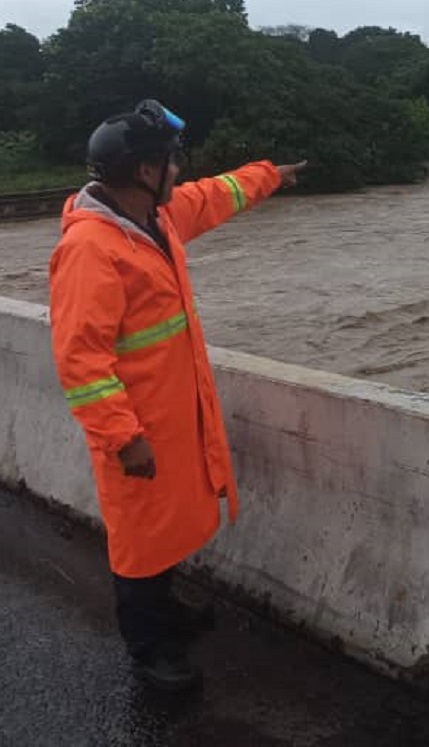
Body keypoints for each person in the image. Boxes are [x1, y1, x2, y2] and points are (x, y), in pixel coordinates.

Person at [48, 99, 307, 692]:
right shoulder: (92, 250)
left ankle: (167, 614)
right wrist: (122, 438)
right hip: (136, 430)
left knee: (168, 526)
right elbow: (81, 360)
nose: (177, 173)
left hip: (172, 416)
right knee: (139, 542)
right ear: (145, 172)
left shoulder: (153, 222)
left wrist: (271, 174)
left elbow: (215, 195)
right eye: (170, 162)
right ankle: (149, 650)